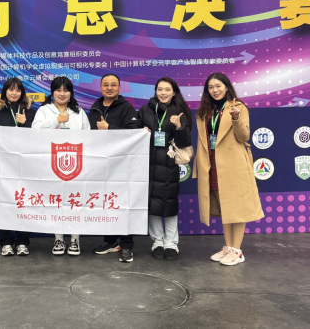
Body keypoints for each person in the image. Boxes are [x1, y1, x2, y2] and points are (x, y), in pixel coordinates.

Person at [192, 73, 264, 266]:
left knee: (237, 207)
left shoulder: (238, 107)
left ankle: (237, 251)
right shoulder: (204, 111)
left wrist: (236, 118)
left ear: (226, 87)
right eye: (211, 87)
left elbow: (244, 136)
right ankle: (229, 247)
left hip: (233, 164)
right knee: (225, 205)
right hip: (212, 163)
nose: (215, 90)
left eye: (218, 86)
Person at [32, 76, 91, 256]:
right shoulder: (44, 110)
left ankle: (75, 239)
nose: (62, 94)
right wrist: (57, 120)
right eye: (58, 90)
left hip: (75, 163)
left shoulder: (79, 112)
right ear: (52, 92)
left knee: (74, 200)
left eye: (66, 90)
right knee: (56, 201)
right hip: (51, 163)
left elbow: (88, 136)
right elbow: (34, 132)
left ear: (71, 93)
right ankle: (58, 238)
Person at [137, 77, 192, 262]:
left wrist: (178, 126)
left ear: (174, 92)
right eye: (160, 89)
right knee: (152, 205)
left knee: (169, 205)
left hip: (169, 165)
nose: (163, 93)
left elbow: (185, 142)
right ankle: (157, 242)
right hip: (148, 164)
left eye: (167, 89)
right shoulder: (146, 110)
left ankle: (171, 243)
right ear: (155, 91)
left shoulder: (179, 111)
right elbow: (134, 133)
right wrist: (141, 132)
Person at [89, 74, 140, 263]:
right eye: (106, 85)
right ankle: (110, 242)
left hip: (122, 165)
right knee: (106, 203)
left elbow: (133, 134)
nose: (109, 88)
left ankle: (126, 245)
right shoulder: (94, 108)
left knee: (123, 204)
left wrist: (109, 129)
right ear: (100, 87)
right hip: (101, 165)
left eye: (113, 85)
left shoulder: (127, 108)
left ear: (119, 87)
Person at [0, 77, 37, 257]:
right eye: (11, 89)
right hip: (2, 166)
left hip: (25, 165)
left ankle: (23, 241)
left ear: (22, 92)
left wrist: (26, 123)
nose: (14, 93)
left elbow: (39, 137)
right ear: (5, 91)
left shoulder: (30, 111)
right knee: (4, 203)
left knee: (23, 202)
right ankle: (6, 241)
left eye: (17, 90)